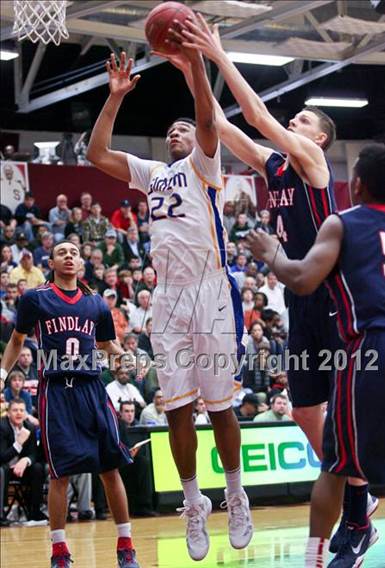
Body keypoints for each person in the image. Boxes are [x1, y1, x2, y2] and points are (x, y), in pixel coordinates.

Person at [164, 16, 375, 560]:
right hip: (298, 301)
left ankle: (357, 504)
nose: (292, 121)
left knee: (340, 408)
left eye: (302, 118)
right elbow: (224, 125)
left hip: (331, 296)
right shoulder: (276, 165)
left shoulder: (313, 161)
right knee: (305, 413)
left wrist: (215, 50)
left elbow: (255, 113)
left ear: (319, 136)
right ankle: (359, 488)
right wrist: (193, 71)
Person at [87, 48, 253, 561]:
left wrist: (196, 66)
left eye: (186, 128)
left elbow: (205, 116)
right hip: (168, 295)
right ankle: (193, 501)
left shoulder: (204, 163)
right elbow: (97, 153)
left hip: (210, 290)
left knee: (221, 406)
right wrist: (114, 98)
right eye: (174, 130)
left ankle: (234, 493)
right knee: (178, 411)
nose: (179, 132)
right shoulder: (152, 172)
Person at [246, 143, 385, 568]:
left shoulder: (342, 222)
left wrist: (271, 253)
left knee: (337, 462)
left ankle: (315, 559)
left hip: (371, 349)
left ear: (356, 184)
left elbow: (303, 279)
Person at [0, 240, 140, 568]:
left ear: (81, 263)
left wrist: (126, 357)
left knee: (110, 467)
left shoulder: (96, 304)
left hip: (92, 388)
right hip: (57, 391)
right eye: (62, 252)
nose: (69, 256)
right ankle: (59, 553)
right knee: (59, 473)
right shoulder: (36, 298)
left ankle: (126, 546)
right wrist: (2, 373)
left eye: (74, 253)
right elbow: (17, 340)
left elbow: (106, 343)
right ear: (51, 262)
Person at [0, 398, 46, 522]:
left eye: (22, 410)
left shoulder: (29, 427)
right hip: (5, 468)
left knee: (37, 468)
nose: (19, 413)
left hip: (21, 469)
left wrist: (26, 460)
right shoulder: (2, 426)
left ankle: (35, 511)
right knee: (1, 470)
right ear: (8, 413)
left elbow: (34, 453)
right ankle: (1, 513)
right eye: (15, 410)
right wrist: (18, 444)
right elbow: (2, 457)